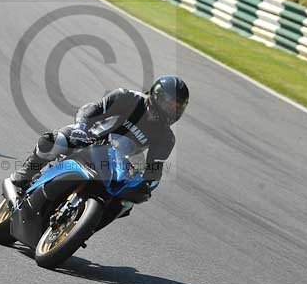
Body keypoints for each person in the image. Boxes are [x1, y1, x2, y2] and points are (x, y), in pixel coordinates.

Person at [10, 75, 190, 203]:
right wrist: (81, 128)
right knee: (53, 141)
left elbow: (154, 168)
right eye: (170, 104)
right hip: (88, 139)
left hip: (117, 162)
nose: (173, 110)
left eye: (178, 107)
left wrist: (148, 185)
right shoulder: (127, 98)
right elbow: (91, 110)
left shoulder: (166, 138)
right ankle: (24, 175)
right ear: (157, 96)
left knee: (126, 202)